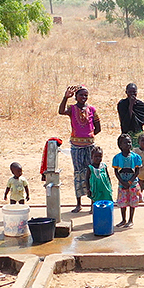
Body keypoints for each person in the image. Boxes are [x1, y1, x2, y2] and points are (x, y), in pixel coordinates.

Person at [59, 85, 101, 213]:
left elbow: (98, 127)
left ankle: (92, 203)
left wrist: (88, 136)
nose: (84, 97)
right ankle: (79, 204)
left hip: (89, 147)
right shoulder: (72, 109)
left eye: (86, 95)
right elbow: (61, 111)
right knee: (78, 173)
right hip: (76, 147)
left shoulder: (92, 109)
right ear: (76, 96)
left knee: (91, 173)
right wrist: (65, 98)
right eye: (81, 95)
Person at [112, 134, 142, 228]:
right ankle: (123, 219)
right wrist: (122, 182)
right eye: (125, 142)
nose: (128, 144)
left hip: (133, 184)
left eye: (129, 142)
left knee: (133, 202)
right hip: (122, 184)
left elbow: (137, 171)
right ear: (120, 145)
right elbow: (116, 172)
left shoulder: (136, 157)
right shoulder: (117, 158)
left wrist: (129, 182)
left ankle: (130, 220)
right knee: (122, 202)